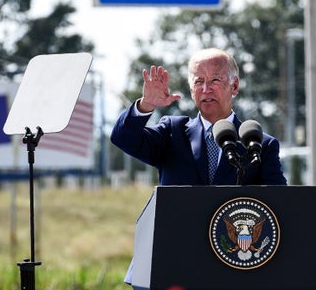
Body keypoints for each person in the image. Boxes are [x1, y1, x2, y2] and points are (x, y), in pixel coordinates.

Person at [110, 48, 287, 186]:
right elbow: (123, 138)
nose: (205, 89)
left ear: (234, 86)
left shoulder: (259, 145)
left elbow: (279, 204)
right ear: (191, 89)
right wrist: (146, 105)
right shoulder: (172, 133)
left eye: (215, 80)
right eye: (198, 81)